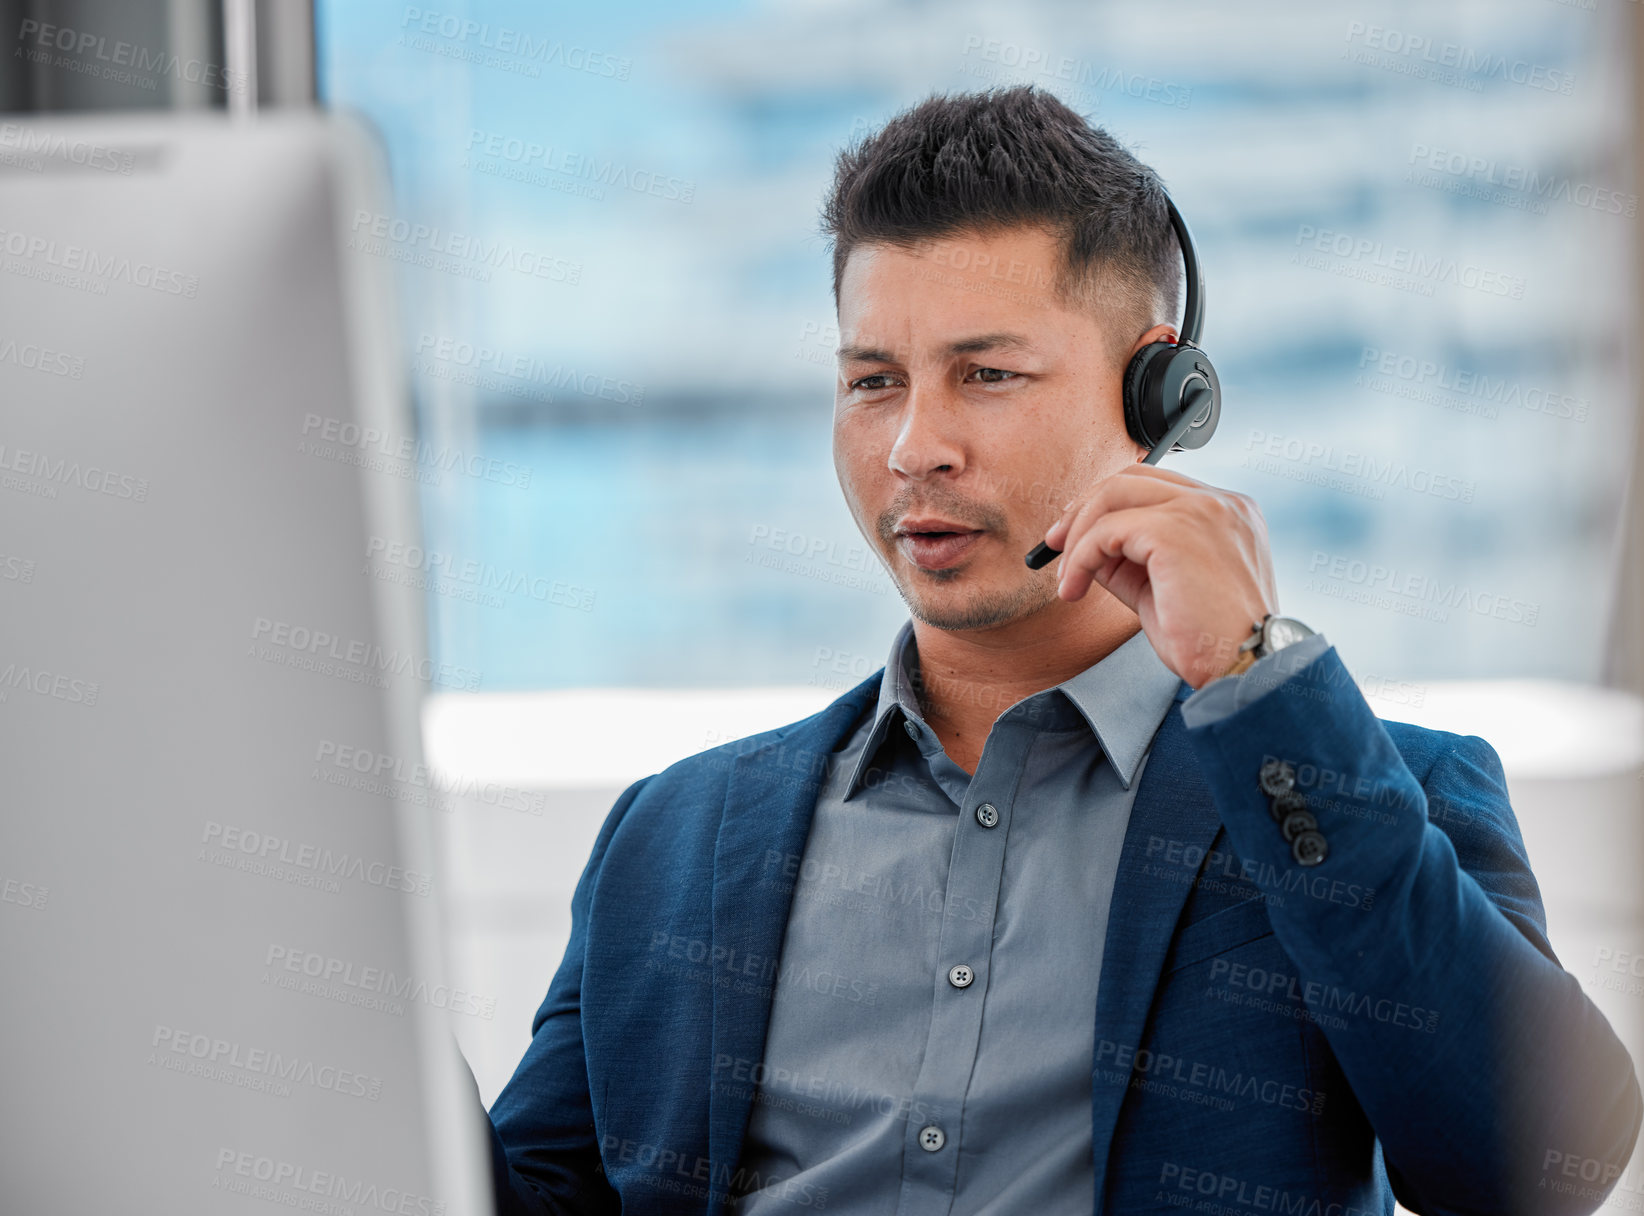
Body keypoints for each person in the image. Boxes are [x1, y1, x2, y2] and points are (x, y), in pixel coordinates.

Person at [482, 85, 1641, 1215]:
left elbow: (1540, 1170)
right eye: (872, 382)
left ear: (1160, 391)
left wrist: (1256, 672)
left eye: (986, 374)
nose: (914, 447)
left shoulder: (1361, 790)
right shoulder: (672, 836)